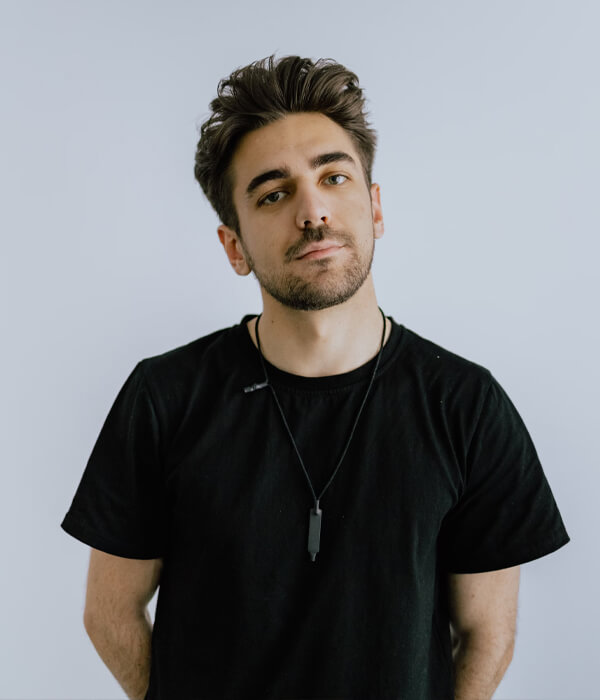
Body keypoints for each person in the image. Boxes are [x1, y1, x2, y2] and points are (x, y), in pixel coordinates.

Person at [61, 55, 570, 700]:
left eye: (333, 177)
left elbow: (486, 633)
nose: (313, 211)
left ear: (375, 207)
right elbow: (109, 613)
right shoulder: (165, 398)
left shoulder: (466, 406)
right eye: (273, 194)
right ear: (234, 247)